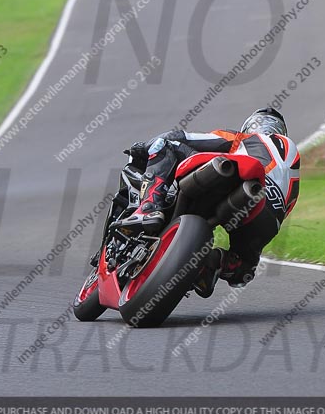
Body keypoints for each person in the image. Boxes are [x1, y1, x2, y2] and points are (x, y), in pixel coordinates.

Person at [122, 107, 300, 298]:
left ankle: (149, 206)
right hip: (266, 220)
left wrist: (144, 148)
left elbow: (183, 137)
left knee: (163, 144)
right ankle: (210, 265)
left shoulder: (244, 138)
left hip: (234, 179)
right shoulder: (293, 164)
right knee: (242, 270)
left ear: (251, 127)